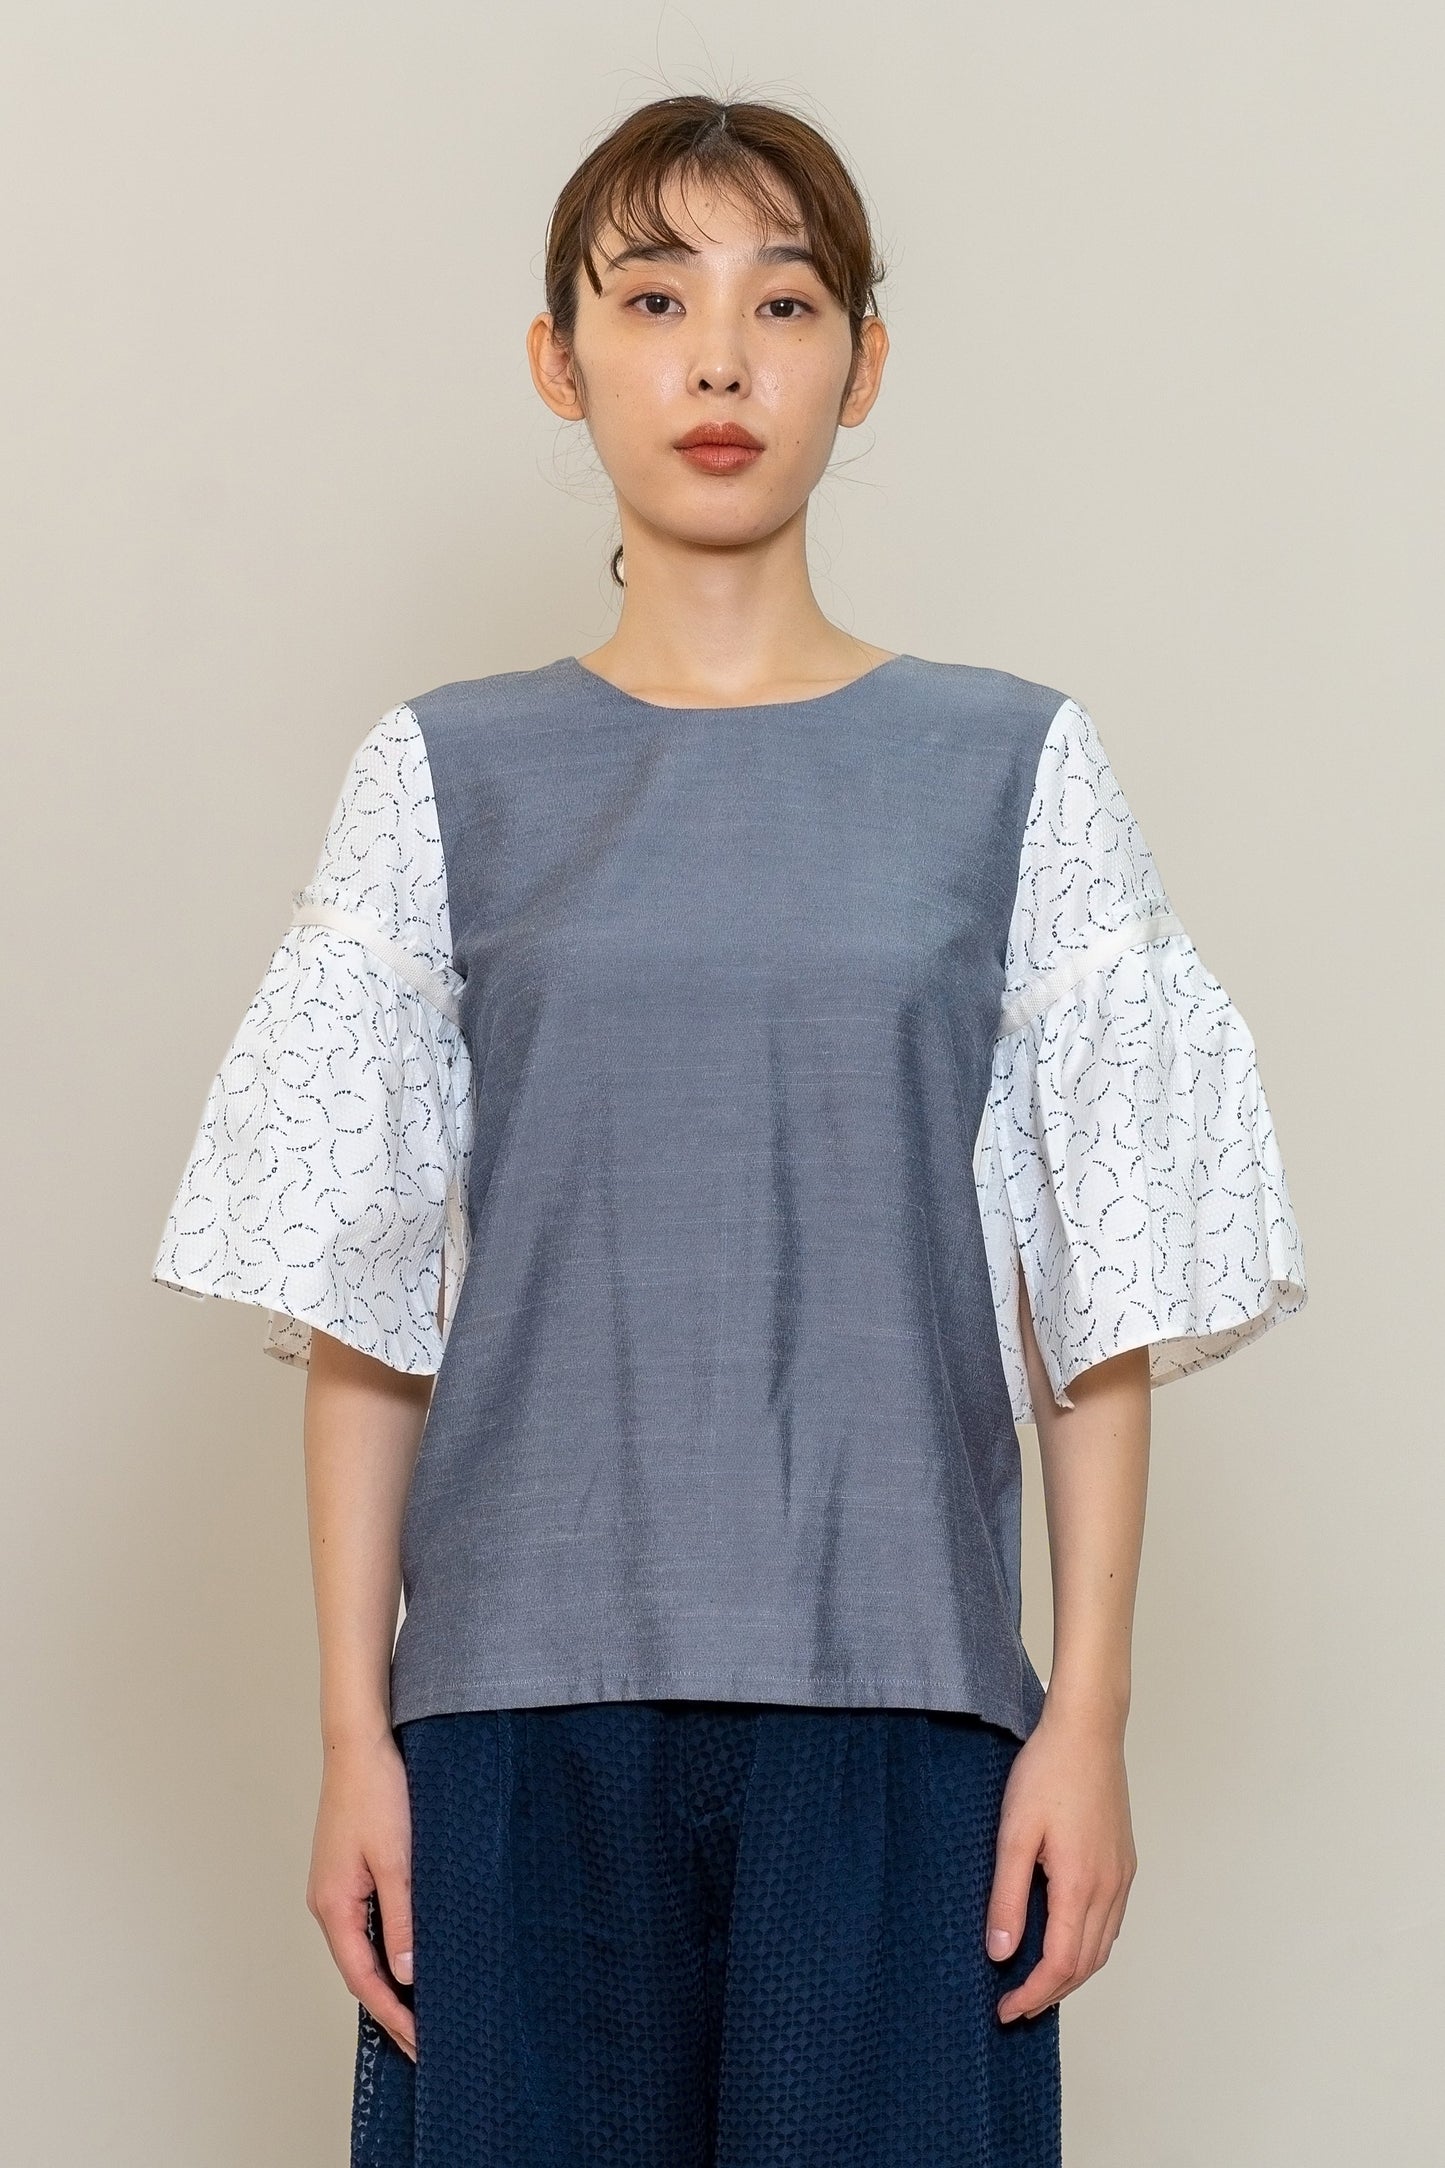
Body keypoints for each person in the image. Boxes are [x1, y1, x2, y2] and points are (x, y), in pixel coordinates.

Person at [152, 94, 1308, 2168]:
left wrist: (1088, 1714)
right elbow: (366, 1299)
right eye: (652, 299)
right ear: (557, 357)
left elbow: (1098, 1290)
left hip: (902, 1706)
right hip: (513, 1720)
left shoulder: (1013, 770)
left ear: (862, 366)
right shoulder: (443, 778)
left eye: (782, 305)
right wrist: (352, 1735)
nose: (717, 360)